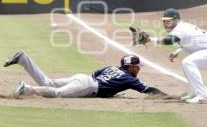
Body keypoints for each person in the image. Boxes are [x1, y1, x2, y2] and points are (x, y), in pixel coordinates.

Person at [147, 8, 207, 104]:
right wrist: (178, 51)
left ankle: (202, 96)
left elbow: (170, 40)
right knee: (186, 63)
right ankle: (196, 92)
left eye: (168, 21)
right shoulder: (183, 27)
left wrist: (149, 39)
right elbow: (191, 41)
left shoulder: (180, 28)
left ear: (176, 20)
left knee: (188, 62)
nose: (166, 23)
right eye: (164, 21)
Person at [4, 51, 167, 98]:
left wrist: (110, 92)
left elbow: (96, 75)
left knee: (49, 82)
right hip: (88, 85)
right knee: (57, 93)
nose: (139, 69)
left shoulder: (110, 67)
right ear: (130, 67)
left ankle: (24, 59)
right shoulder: (129, 79)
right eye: (137, 67)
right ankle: (26, 89)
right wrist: (167, 96)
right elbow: (148, 90)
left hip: (84, 78)